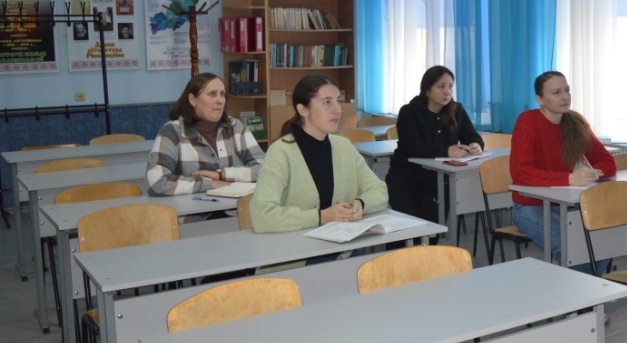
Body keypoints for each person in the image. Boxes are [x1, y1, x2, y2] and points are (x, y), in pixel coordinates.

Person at [250, 74, 387, 234]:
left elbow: (379, 190)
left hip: (343, 244)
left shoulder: (343, 146)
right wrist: (321, 217)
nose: (338, 110)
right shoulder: (281, 152)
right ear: (303, 110)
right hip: (297, 247)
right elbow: (262, 216)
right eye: (327, 102)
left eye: (338, 101)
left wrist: (361, 203)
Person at [510, 71, 617, 273]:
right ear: (540, 99)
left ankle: (587, 287)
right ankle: (584, 290)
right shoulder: (527, 121)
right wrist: (569, 178)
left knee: (603, 239)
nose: (565, 97)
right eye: (556, 92)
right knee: (572, 247)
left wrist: (593, 173)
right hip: (531, 206)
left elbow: (607, 161)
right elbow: (521, 173)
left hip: (567, 203)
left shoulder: (575, 123)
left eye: (567, 90)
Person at [385, 66, 484, 246]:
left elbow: (472, 136)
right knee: (407, 230)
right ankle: (396, 259)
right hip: (406, 178)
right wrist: (446, 151)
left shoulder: (457, 110)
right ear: (427, 90)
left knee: (431, 231)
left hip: (437, 180)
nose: (447, 92)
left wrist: (476, 145)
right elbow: (411, 147)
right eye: (441, 86)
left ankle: (427, 259)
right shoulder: (409, 111)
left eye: (450, 86)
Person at [146, 72, 263, 196]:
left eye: (222, 94)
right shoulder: (172, 132)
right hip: (195, 208)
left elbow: (266, 170)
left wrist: (222, 174)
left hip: (237, 207)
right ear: (193, 99)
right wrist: (211, 184)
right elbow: (156, 183)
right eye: (212, 94)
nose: (220, 101)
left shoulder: (236, 127)